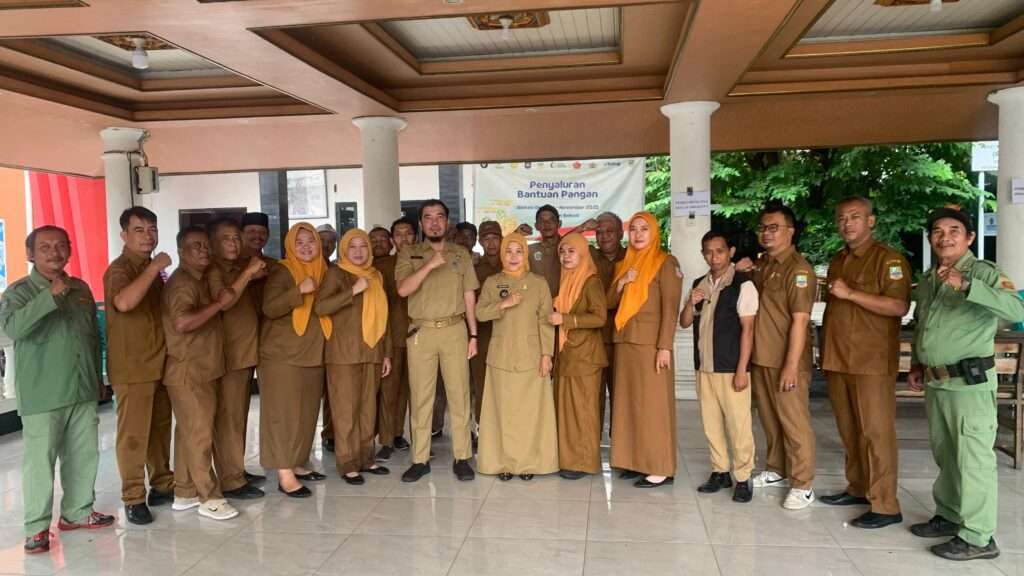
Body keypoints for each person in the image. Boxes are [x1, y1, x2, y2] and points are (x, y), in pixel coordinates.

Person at [907, 206, 1024, 561]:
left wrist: (969, 286)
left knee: (973, 459)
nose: (945, 237)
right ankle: (949, 514)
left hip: (969, 383)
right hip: (937, 382)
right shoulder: (929, 279)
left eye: (953, 230)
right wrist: (917, 363)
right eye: (937, 231)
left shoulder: (984, 273)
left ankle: (978, 536)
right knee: (946, 455)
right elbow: (924, 325)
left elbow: (1016, 310)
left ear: (970, 237)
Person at [1, 226, 115, 554]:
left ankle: (77, 512)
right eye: (45, 247)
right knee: (40, 461)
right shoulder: (18, 292)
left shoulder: (80, 288)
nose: (54, 252)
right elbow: (12, 328)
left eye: (61, 245)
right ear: (30, 254)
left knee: (84, 454)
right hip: (43, 391)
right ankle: (36, 527)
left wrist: (98, 377)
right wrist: (49, 296)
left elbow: (92, 337)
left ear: (69, 250)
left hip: (81, 386)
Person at [819, 197, 911, 529]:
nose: (847, 224)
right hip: (838, 358)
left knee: (876, 432)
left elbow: (899, 307)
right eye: (842, 218)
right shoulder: (838, 259)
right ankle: (858, 488)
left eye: (855, 217)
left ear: (870, 221)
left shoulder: (889, 259)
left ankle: (885, 505)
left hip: (871, 361)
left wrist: (851, 294)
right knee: (849, 430)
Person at [395, 199, 479, 483]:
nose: (434, 222)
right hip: (422, 332)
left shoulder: (461, 254)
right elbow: (403, 289)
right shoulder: (409, 253)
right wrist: (429, 265)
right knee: (421, 398)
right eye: (428, 217)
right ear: (421, 223)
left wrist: (473, 334)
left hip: (455, 329)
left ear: (447, 221)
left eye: (439, 217)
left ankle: (462, 457)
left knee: (459, 395)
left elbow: (469, 295)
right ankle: (419, 459)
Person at [161, 226, 239, 521]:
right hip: (189, 371)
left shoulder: (199, 278)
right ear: (181, 251)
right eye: (196, 246)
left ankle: (185, 491)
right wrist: (218, 305)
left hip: (200, 368)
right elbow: (182, 323)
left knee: (189, 433)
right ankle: (210, 497)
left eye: (206, 245)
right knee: (200, 436)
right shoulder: (182, 283)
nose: (204, 250)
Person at [103, 207, 174, 525]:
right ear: (124, 235)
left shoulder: (149, 268)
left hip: (159, 362)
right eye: (139, 230)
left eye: (152, 229)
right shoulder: (120, 269)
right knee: (133, 435)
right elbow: (125, 302)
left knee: (159, 429)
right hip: (133, 367)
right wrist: (156, 266)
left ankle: (162, 483)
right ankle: (133, 497)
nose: (148, 236)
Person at [745, 203, 818, 510]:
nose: (766, 233)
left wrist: (791, 366)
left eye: (774, 227)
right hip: (762, 356)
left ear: (790, 231)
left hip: (786, 360)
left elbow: (800, 321)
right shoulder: (763, 264)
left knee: (794, 422)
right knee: (770, 419)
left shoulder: (798, 270)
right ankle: (776, 469)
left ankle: (803, 484)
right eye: (763, 227)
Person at [679, 231, 757, 503]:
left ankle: (743, 477)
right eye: (709, 252)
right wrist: (690, 302)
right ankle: (720, 471)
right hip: (705, 367)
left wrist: (742, 369)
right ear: (703, 254)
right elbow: (684, 322)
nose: (714, 257)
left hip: (731, 368)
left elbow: (748, 330)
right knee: (710, 424)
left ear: (730, 252)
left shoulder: (743, 284)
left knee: (738, 425)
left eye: (720, 251)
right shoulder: (699, 284)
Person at [607, 212, 683, 488]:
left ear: (654, 233)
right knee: (628, 406)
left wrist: (664, 346)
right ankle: (634, 461)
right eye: (634, 229)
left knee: (653, 406)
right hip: (625, 342)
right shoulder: (625, 263)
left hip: (651, 345)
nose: (638, 235)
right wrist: (622, 282)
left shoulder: (665, 262)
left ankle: (659, 466)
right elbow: (609, 302)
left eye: (644, 229)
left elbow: (670, 308)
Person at [476, 232, 557, 480]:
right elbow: (480, 313)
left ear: (526, 254)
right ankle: (503, 464)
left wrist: (546, 354)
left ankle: (528, 464)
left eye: (519, 251)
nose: (513, 257)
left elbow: (546, 321)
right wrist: (503, 304)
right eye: (509, 251)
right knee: (502, 413)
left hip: (531, 356)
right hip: (501, 356)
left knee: (529, 413)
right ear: (502, 254)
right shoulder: (493, 282)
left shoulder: (538, 283)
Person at [315, 229, 393, 484]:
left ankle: (366, 458)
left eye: (363, 246)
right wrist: (354, 290)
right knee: (346, 410)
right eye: (352, 247)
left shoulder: (376, 275)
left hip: (373, 351)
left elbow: (384, 317)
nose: (358, 252)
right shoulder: (336, 273)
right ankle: (347, 463)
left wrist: (387, 354)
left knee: (368, 409)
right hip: (343, 352)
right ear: (344, 250)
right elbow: (321, 307)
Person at [259, 223, 330, 497]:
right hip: (282, 354)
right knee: (283, 414)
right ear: (290, 245)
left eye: (310, 241)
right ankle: (284, 472)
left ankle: (298, 461)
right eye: (299, 242)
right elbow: (269, 307)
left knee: (306, 413)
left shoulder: (324, 270)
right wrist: (298, 290)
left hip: (313, 352)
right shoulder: (282, 270)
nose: (305, 247)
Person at [206, 218, 267, 499]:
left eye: (235, 238)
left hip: (243, 353)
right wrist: (249, 273)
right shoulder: (214, 270)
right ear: (212, 243)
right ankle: (231, 480)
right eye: (226, 238)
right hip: (228, 355)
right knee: (229, 417)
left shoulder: (237, 267)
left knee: (238, 415)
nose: (232, 243)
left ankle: (235, 468)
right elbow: (225, 301)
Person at [549, 232, 607, 480]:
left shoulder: (591, 281)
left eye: (571, 251)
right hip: (565, 354)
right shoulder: (563, 280)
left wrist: (567, 319)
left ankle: (584, 462)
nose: (566, 256)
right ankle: (568, 459)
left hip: (585, 356)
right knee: (566, 411)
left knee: (583, 411)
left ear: (583, 253)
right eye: (562, 251)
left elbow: (600, 317)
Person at [374, 218, 415, 461]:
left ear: (415, 236)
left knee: (410, 391)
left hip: (419, 336)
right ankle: (387, 439)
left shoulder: (423, 261)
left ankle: (399, 433)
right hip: (392, 334)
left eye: (408, 233)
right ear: (392, 240)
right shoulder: (382, 267)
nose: (403, 238)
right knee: (389, 391)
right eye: (398, 234)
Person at [592, 211, 627, 435]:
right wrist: (582, 227)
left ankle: (620, 444)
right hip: (594, 337)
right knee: (592, 396)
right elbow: (560, 245)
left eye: (610, 231)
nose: (604, 236)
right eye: (599, 232)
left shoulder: (633, 257)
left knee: (621, 395)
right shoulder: (589, 257)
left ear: (621, 233)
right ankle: (590, 443)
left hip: (622, 339)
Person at [470, 221, 504, 438]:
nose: (491, 243)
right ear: (480, 241)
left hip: (506, 333)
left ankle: (505, 430)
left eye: (495, 238)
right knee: (481, 383)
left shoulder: (511, 264)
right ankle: (483, 431)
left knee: (505, 383)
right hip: (481, 333)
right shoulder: (474, 268)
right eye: (486, 238)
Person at [316, 223, 339, 453]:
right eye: (322, 240)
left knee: (333, 389)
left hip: (332, 336)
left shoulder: (337, 269)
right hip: (307, 339)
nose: (326, 245)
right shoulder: (300, 268)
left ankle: (331, 432)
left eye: (331, 242)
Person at [528, 205, 563, 297]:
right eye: (542, 221)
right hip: (538, 303)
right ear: (536, 226)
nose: (547, 224)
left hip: (565, 304)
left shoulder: (570, 248)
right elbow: (506, 253)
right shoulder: (530, 250)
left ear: (559, 224)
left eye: (551, 220)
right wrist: (516, 233)